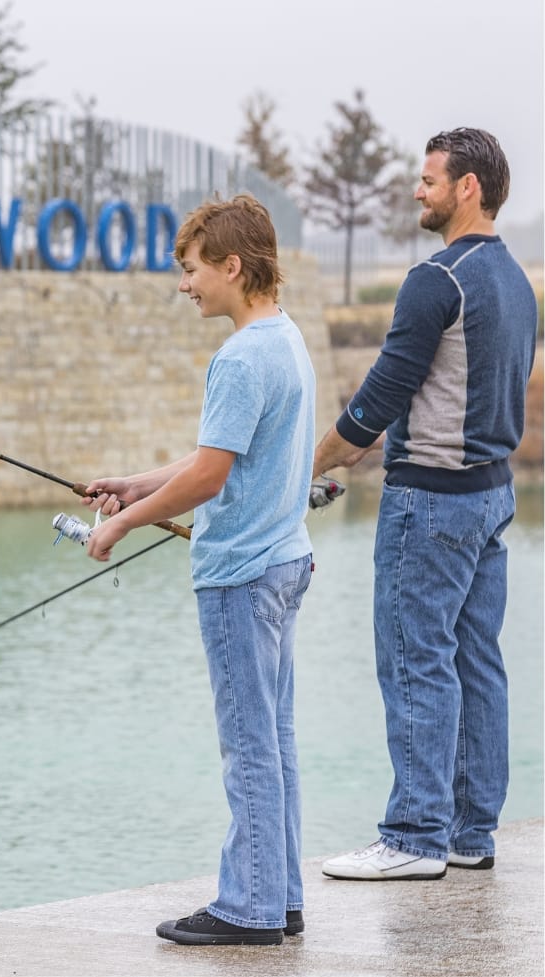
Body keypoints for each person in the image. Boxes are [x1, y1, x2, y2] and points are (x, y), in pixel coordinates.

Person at [82, 194, 316, 944]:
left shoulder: (239, 356)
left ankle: (245, 907)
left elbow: (211, 477)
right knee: (273, 743)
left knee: (248, 745)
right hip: (284, 563)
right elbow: (214, 456)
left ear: (230, 267)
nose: (184, 284)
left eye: (190, 270)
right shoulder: (285, 339)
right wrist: (137, 483)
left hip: (240, 577)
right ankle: (277, 896)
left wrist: (119, 522)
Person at [313, 128, 538, 881]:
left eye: (428, 178)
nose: (417, 190)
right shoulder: (514, 279)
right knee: (474, 662)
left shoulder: (435, 278)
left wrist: (300, 471)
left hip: (431, 504)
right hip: (490, 497)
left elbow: (377, 400)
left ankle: (412, 834)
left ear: (467, 186)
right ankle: (469, 834)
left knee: (415, 662)